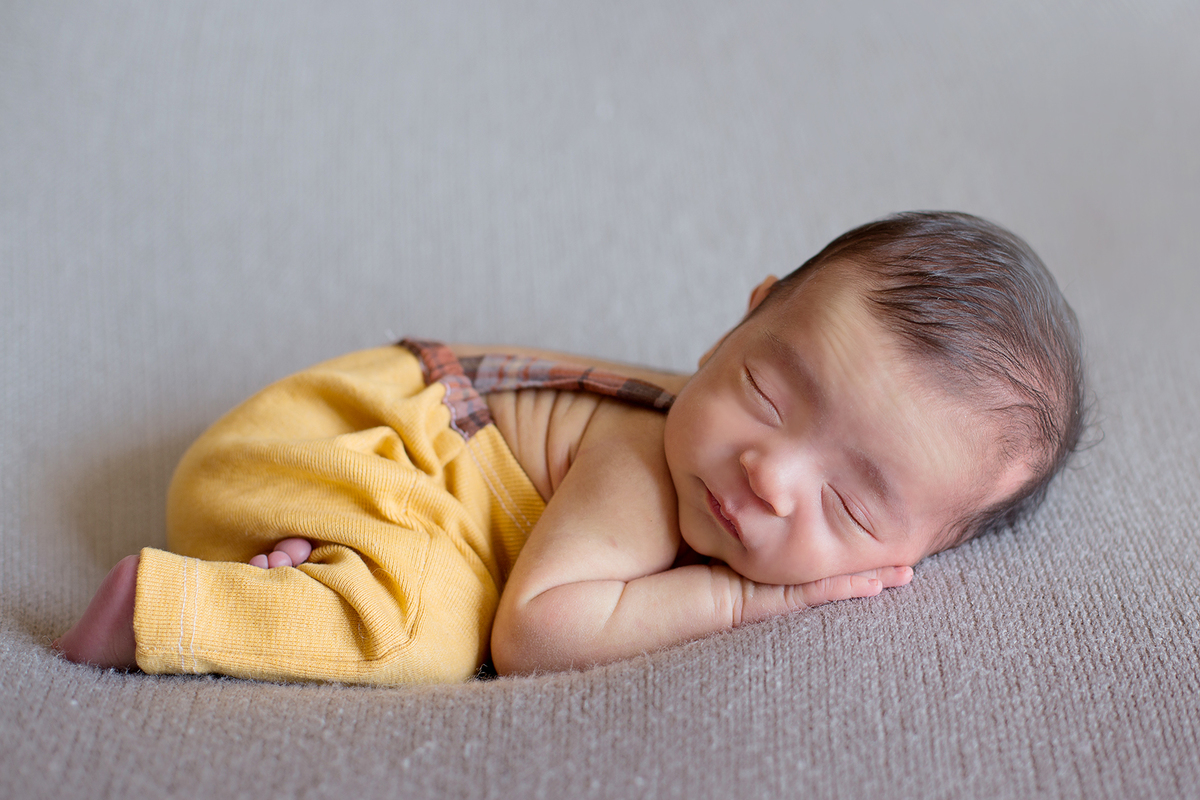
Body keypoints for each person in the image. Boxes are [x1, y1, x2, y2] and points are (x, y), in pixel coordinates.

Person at [54, 211, 1086, 683]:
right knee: (432, 632)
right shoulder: (643, 468)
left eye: (852, 507)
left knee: (424, 570)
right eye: (766, 388)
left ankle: (313, 558)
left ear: (911, 555)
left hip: (334, 463)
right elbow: (536, 634)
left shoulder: (715, 457)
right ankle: (166, 608)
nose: (768, 472)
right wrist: (743, 599)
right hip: (332, 444)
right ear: (745, 315)